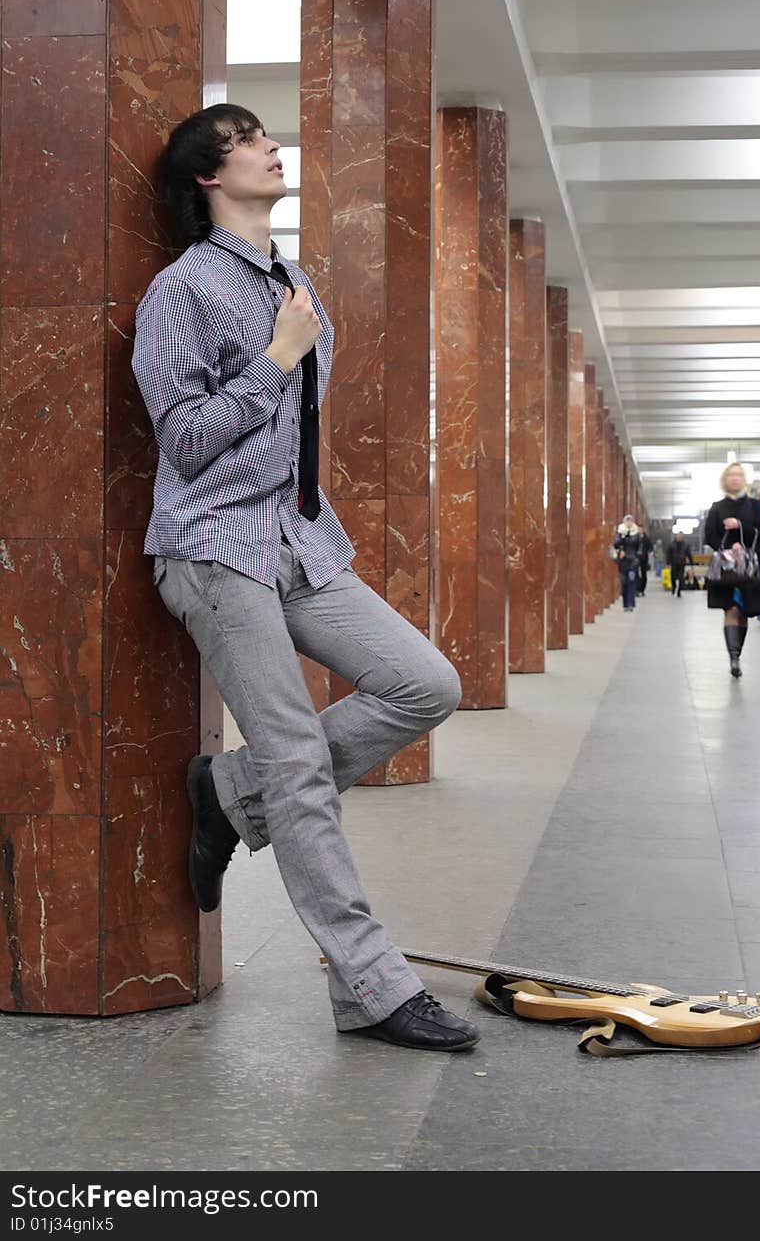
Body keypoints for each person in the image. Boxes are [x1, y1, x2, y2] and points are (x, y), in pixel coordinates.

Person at [131, 103, 478, 1054]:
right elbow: (188, 441)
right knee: (299, 765)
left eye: (262, 134)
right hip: (213, 546)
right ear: (209, 175)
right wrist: (279, 359)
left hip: (296, 542)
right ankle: (371, 985)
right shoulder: (183, 290)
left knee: (427, 683)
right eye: (245, 139)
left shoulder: (295, 280)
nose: (268, 145)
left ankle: (230, 795)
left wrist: (289, 345)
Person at [703, 462, 760, 678]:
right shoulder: (717, 507)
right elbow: (710, 535)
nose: (735, 478)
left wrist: (740, 527)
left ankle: (737, 651)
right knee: (730, 609)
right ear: (725, 479)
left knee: (744, 612)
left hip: (748, 566)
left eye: (739, 475)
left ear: (744, 479)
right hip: (726, 569)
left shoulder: (755, 506)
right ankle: (734, 658)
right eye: (731, 475)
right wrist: (727, 548)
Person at [613, 514, 641, 611]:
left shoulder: (636, 533)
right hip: (623, 561)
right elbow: (616, 544)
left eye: (630, 521)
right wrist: (622, 537)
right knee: (624, 582)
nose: (629, 523)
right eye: (627, 521)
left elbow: (638, 546)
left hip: (632, 561)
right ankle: (625, 604)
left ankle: (631, 604)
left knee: (632, 581)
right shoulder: (620, 532)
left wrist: (637, 558)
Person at [668, 531, 694, 597]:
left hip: (682, 563)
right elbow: (669, 554)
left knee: (681, 578)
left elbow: (689, 554)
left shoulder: (686, 545)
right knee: (673, 577)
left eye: (681, 536)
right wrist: (668, 563)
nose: (679, 537)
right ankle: (674, 587)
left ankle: (679, 591)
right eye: (678, 536)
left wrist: (691, 564)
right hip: (674, 563)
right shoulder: (672, 544)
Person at [636, 528, 651, 596]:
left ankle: (642, 589)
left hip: (644, 559)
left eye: (641, 529)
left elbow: (650, 547)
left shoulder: (646, 539)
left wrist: (650, 552)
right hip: (636, 558)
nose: (639, 531)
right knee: (636, 573)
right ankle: (637, 589)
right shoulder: (634, 537)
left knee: (643, 574)